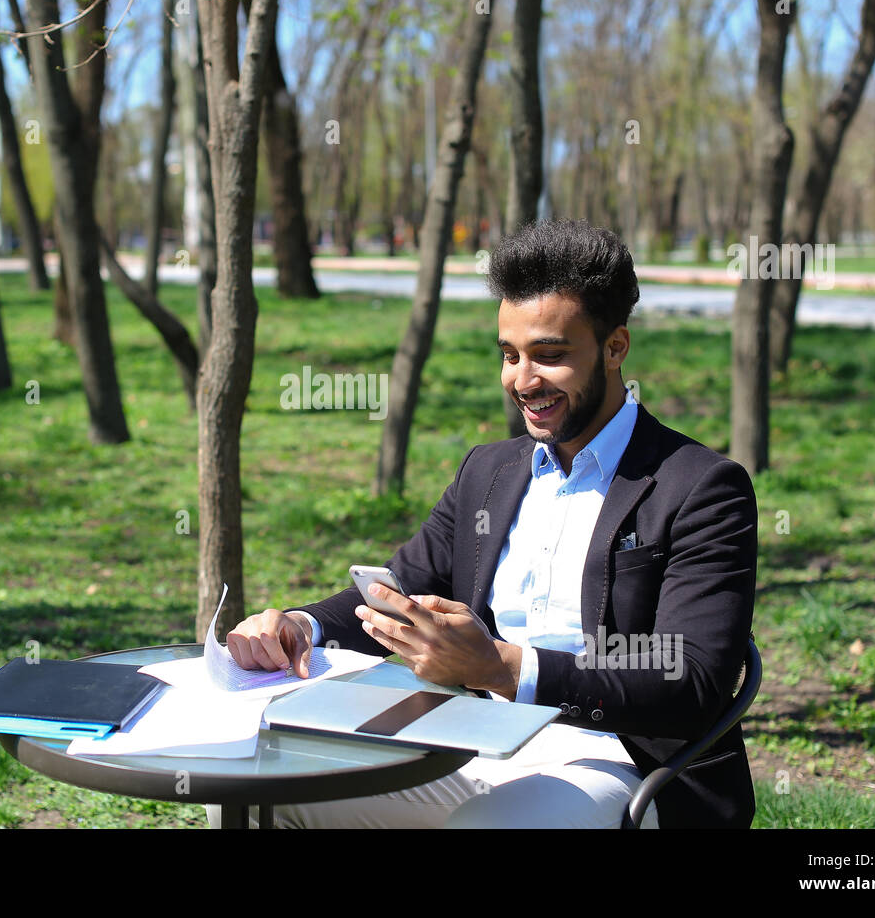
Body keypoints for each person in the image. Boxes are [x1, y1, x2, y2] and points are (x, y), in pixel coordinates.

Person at [223, 218, 758, 828]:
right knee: (252, 786)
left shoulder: (701, 486)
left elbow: (691, 680)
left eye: (549, 357)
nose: (522, 382)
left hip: (621, 760)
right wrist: (301, 627)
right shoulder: (490, 471)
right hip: (469, 736)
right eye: (510, 356)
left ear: (615, 348)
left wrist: (504, 669)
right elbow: (396, 592)